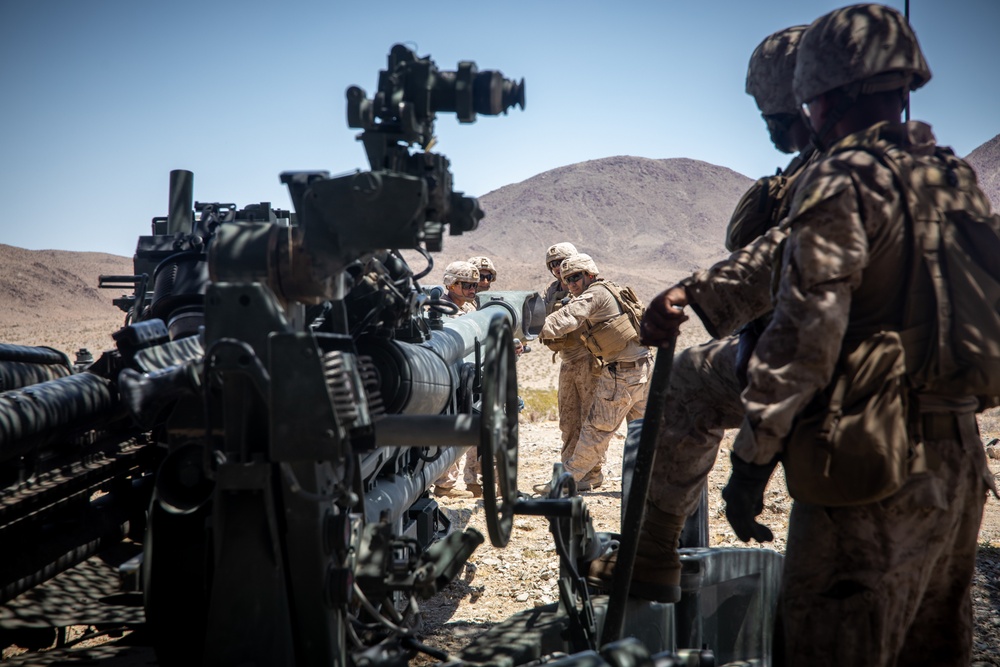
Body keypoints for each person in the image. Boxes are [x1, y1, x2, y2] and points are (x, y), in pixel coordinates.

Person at [644, 5, 996, 664]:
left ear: (820, 94)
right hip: (956, 465)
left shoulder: (839, 176)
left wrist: (752, 461)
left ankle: (651, 553)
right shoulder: (950, 176)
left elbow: (804, 332)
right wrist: (700, 288)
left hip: (871, 468)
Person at [588, 24, 814, 604]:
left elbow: (793, 260)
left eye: (770, 104)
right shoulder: (935, 170)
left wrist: (690, 295)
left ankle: (652, 553)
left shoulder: (835, 175)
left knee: (687, 380)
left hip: (826, 371)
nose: (765, 119)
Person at [539, 253, 651, 491]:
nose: (572, 284)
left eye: (576, 277)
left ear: (590, 275)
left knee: (595, 433)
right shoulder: (610, 289)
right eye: (568, 280)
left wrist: (530, 327)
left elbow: (566, 318)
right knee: (645, 433)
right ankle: (655, 484)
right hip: (642, 369)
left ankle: (565, 484)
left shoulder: (595, 293)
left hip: (623, 374)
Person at [538, 242, 597, 469]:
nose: (556, 268)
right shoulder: (553, 291)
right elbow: (540, 315)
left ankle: (591, 470)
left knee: (589, 417)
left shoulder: (587, 289)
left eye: (561, 263)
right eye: (552, 265)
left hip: (589, 359)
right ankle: (569, 467)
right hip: (567, 360)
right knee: (568, 418)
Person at [432, 261, 482, 499]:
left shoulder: (468, 309)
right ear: (451, 284)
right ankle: (444, 485)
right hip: (449, 379)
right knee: (452, 429)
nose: (473, 289)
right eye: (467, 285)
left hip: (466, 377)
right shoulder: (440, 309)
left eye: (474, 284)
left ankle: (450, 484)